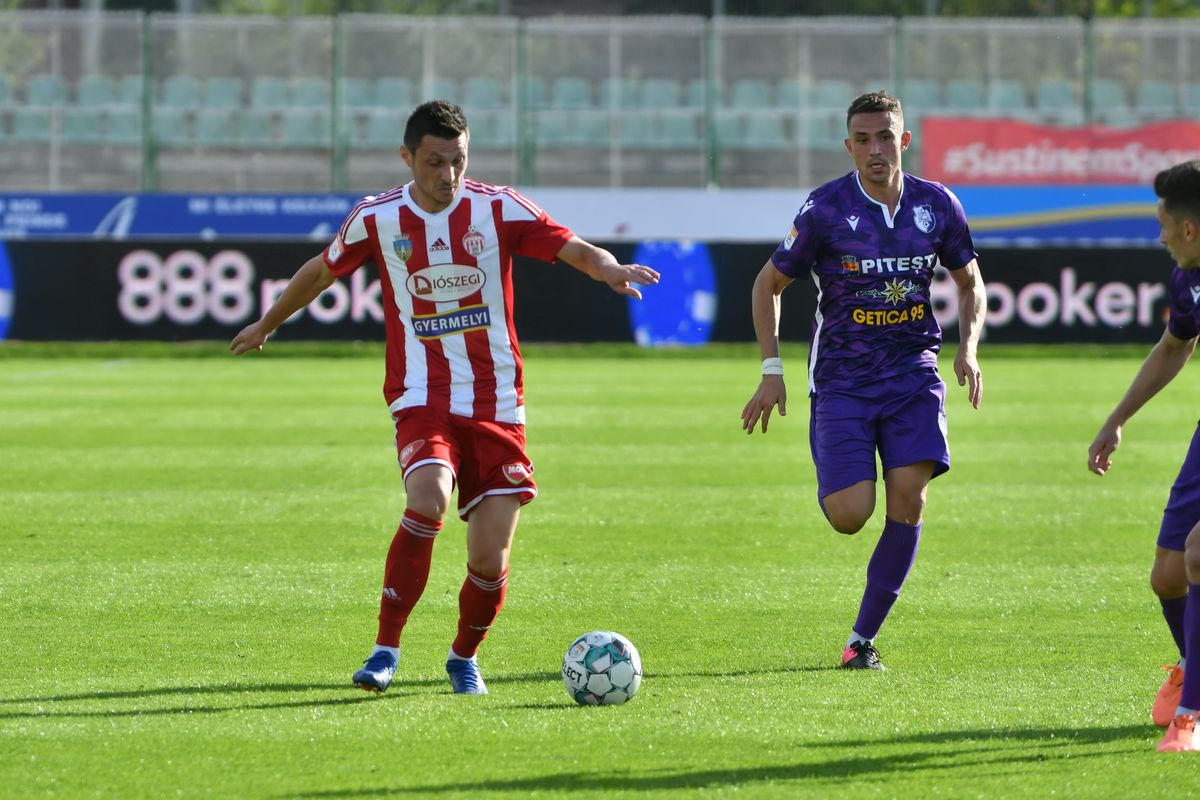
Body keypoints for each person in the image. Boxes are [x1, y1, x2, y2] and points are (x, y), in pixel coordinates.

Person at [231, 100, 659, 695]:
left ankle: (463, 657)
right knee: (428, 498)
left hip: (496, 403)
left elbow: (573, 248)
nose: (447, 175)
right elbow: (322, 270)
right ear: (407, 158)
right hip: (420, 394)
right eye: (433, 162)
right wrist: (268, 322)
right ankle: (385, 649)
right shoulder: (377, 218)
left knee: (489, 558)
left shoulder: (498, 207)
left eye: (457, 160)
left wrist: (609, 268)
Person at [740, 90, 985, 671]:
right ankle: (834, 456)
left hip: (912, 375)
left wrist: (968, 349)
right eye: (863, 139)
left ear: (903, 140)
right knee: (850, 515)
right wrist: (771, 370)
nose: (875, 150)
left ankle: (861, 641)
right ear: (848, 145)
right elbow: (766, 285)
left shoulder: (938, 205)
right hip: (843, 380)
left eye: (885, 137)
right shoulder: (824, 209)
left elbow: (971, 281)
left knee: (909, 499)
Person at [1088, 160, 1200, 752]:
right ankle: (1194, 664)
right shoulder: (1188, 280)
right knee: (1166, 575)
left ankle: (1192, 714)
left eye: (1162, 224)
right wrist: (1116, 419)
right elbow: (1175, 345)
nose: (1157, 237)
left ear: (1189, 229)